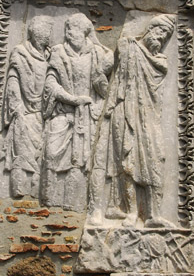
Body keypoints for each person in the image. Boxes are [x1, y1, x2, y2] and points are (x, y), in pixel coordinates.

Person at [89, 14, 175, 227]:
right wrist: (104, 95)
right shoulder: (127, 46)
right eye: (160, 32)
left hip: (148, 115)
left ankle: (155, 215)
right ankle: (131, 212)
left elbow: (158, 79)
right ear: (150, 29)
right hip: (122, 109)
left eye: (166, 37)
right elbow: (101, 72)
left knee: (155, 158)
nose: (161, 39)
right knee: (126, 161)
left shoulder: (160, 60)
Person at [41, 13, 113, 211]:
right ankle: (49, 201)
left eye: (72, 29)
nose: (68, 33)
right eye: (67, 29)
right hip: (63, 112)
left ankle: (75, 205)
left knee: (81, 160)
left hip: (87, 115)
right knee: (51, 152)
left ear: (84, 33)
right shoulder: (58, 52)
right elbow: (50, 84)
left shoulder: (96, 53)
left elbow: (106, 72)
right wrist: (72, 99)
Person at [1, 16, 52, 198]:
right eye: (47, 32)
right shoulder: (20, 52)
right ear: (39, 33)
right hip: (24, 112)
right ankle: (17, 189)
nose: (50, 36)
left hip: (44, 112)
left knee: (42, 154)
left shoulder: (49, 55)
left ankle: (36, 191)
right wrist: (16, 108)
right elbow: (13, 80)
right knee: (21, 152)